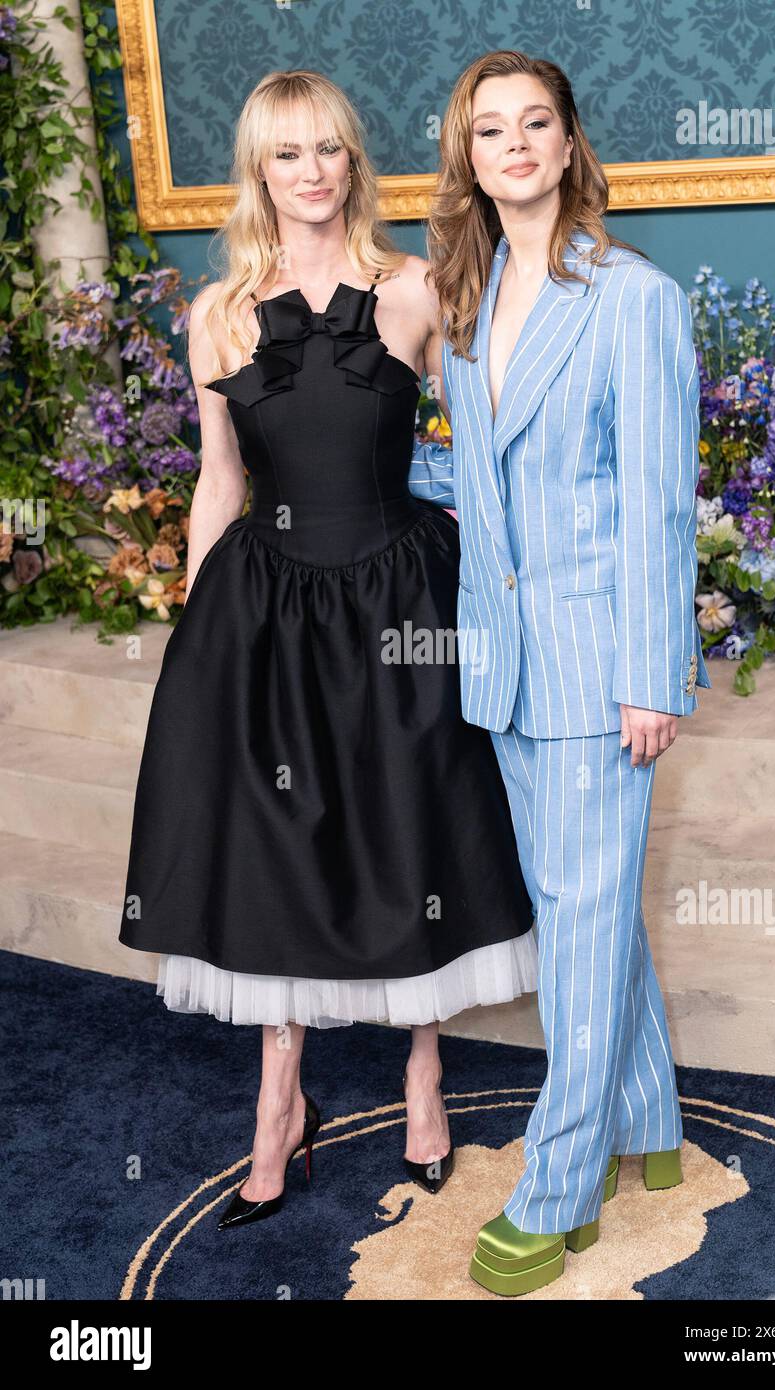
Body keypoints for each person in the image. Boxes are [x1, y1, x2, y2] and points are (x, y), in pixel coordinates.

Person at [119, 69, 537, 1230]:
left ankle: (420, 1072)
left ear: (353, 161)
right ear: (255, 171)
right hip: (266, 606)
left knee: (412, 827)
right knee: (272, 843)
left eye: (328, 152)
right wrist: (200, 628)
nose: (310, 174)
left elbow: (480, 454)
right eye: (284, 155)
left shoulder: (413, 290)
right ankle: (277, 1108)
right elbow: (219, 480)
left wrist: (486, 565)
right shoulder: (215, 315)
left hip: (399, 597)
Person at [409, 49, 711, 1295]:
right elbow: (481, 486)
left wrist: (651, 671)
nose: (514, 145)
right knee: (582, 907)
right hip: (507, 659)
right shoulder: (466, 298)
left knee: (577, 920)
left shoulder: (630, 297)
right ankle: (646, 1120)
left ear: (569, 142)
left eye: (535, 123)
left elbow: (656, 505)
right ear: (467, 157)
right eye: (491, 130)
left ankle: (558, 1176)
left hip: (600, 662)